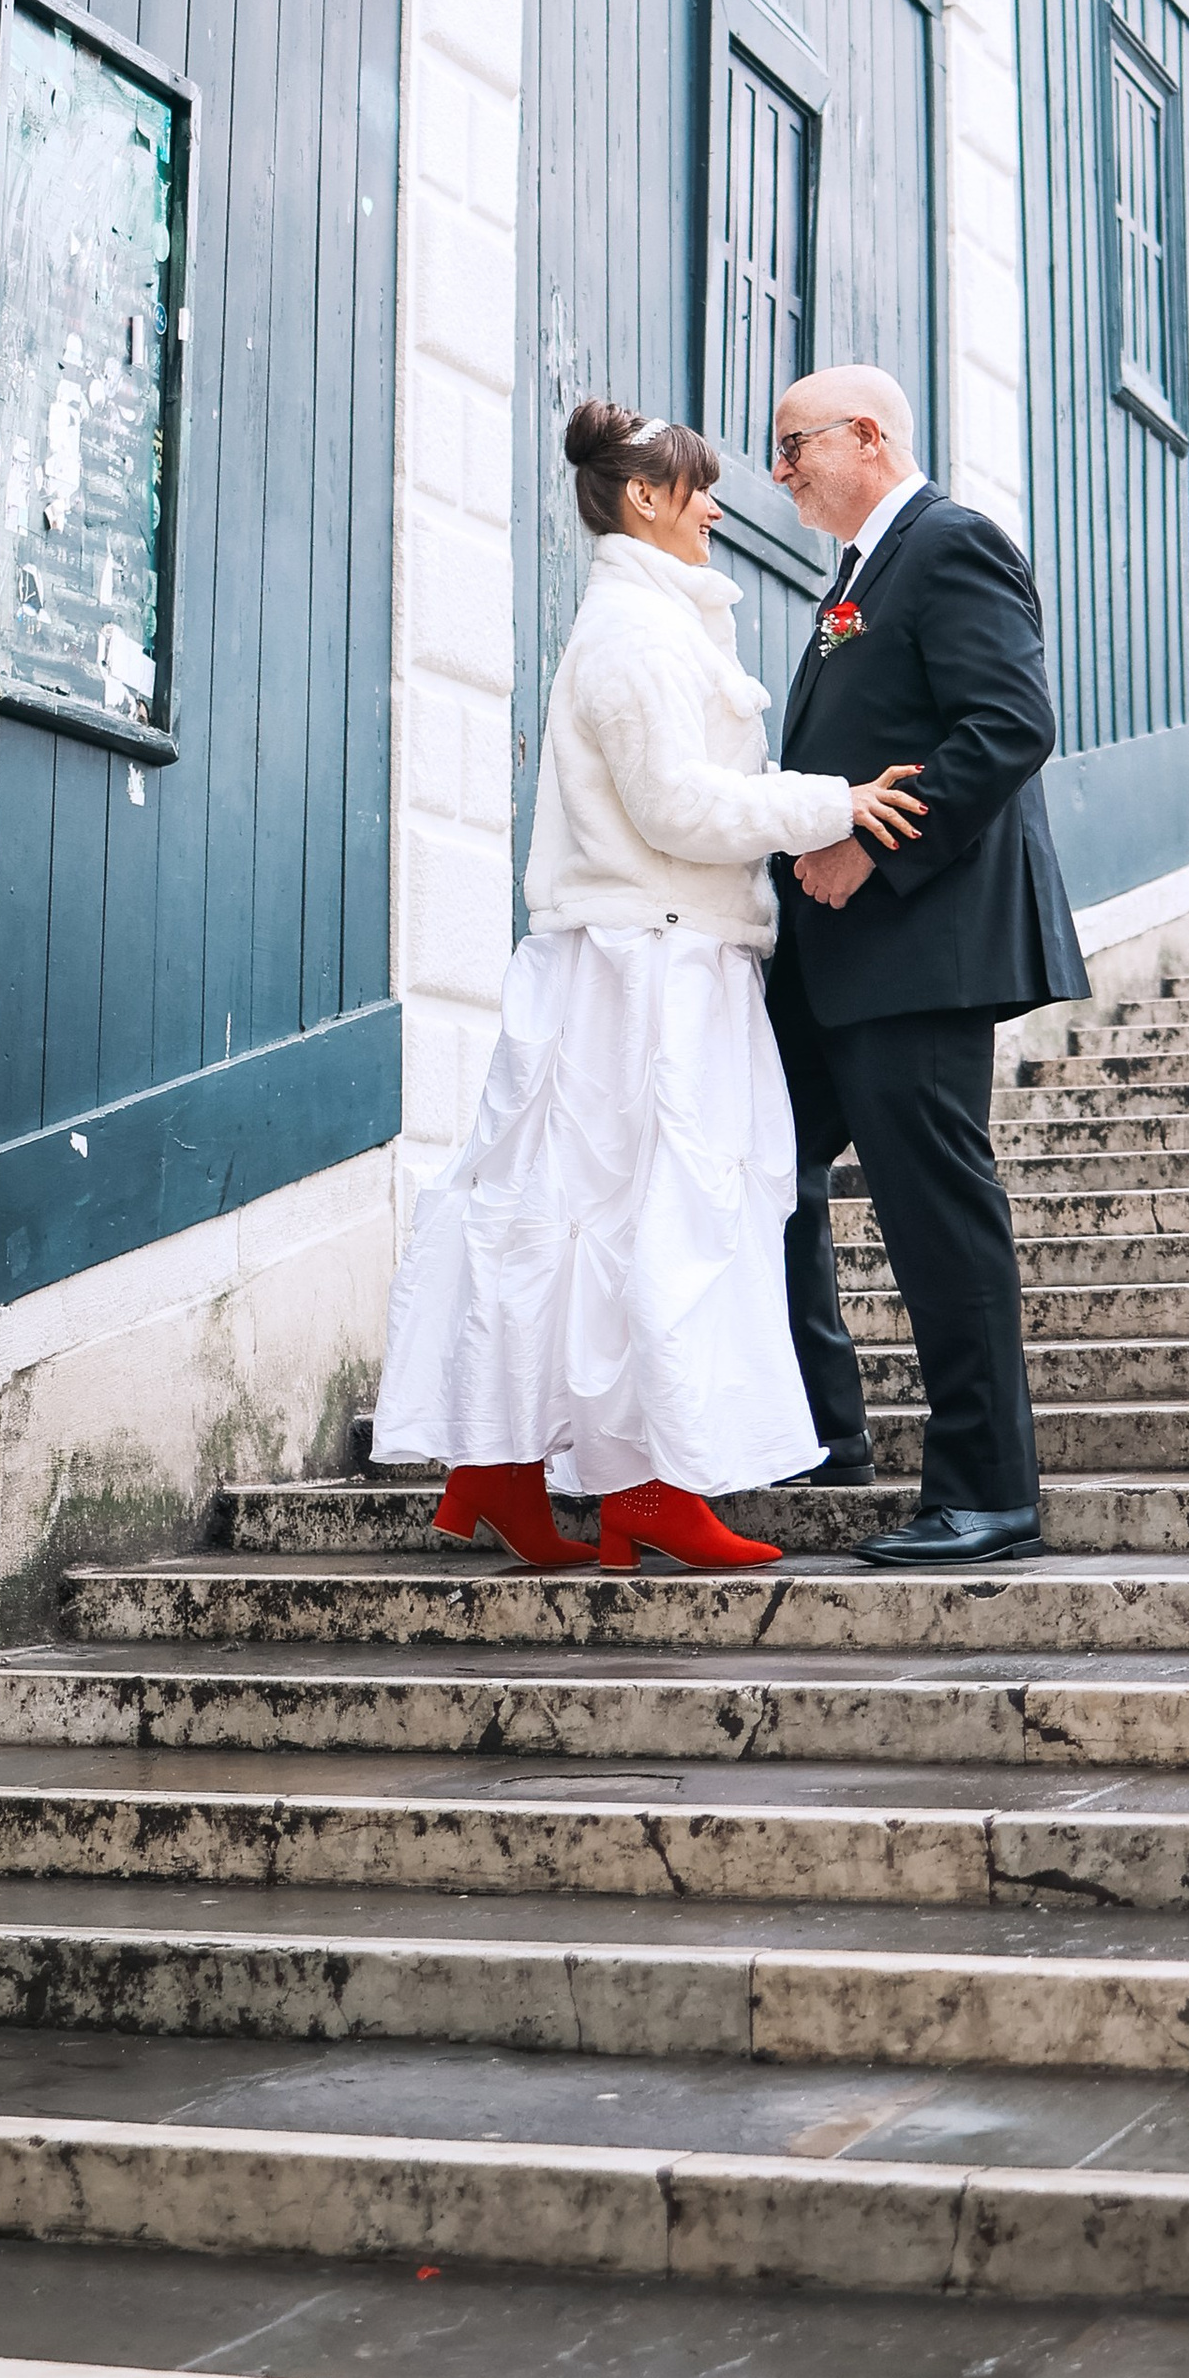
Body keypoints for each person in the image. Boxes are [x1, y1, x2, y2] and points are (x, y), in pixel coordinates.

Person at [372, 397, 930, 1571]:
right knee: (651, 1223)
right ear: (643, 499)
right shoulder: (634, 633)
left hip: (658, 956)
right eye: (700, 487)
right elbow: (676, 805)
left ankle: (516, 1474)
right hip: (649, 965)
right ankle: (637, 1488)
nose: (721, 506)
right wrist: (834, 804)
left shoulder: (658, 624)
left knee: (593, 1218)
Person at [765, 362, 1089, 1568]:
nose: (781, 471)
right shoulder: (854, 577)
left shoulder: (950, 543)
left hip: (920, 944)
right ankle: (818, 1428)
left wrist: (870, 855)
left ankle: (988, 1491)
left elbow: (1010, 724)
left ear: (866, 434)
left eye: (794, 445)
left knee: (936, 1212)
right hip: (830, 957)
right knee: (764, 1168)